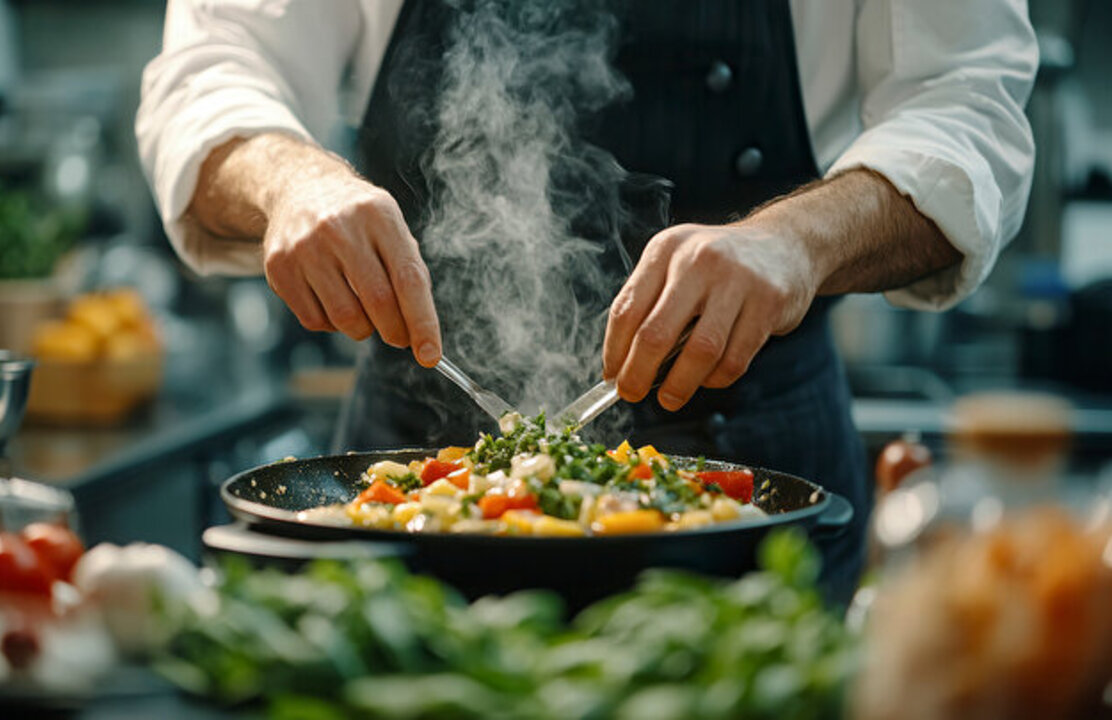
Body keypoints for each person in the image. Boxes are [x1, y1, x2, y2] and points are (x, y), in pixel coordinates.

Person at [137, 0, 1037, 600]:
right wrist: (290, 181)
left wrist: (797, 242)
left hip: (754, 489)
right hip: (406, 485)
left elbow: (968, 108)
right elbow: (216, 61)